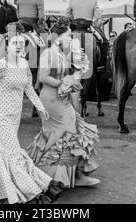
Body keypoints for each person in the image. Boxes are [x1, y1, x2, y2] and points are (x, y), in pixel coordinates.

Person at [0, 22, 63, 204]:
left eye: (22, 43)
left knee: (6, 150)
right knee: (14, 152)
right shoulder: (0, 65)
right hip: (1, 116)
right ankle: (29, 188)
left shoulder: (24, 64)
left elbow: (29, 89)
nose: (20, 46)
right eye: (15, 43)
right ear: (7, 46)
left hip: (15, 116)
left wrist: (40, 107)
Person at [27, 17, 100, 188]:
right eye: (68, 36)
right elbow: (43, 77)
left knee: (70, 132)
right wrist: (63, 83)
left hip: (62, 98)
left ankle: (73, 173)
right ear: (58, 37)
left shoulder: (61, 54)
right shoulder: (47, 53)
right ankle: (61, 175)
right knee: (66, 133)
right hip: (51, 99)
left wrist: (75, 73)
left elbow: (69, 74)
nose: (70, 39)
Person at [65, 0, 109, 71]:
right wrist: (99, 21)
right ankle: (101, 65)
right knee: (105, 42)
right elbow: (98, 16)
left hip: (75, 27)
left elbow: (67, 15)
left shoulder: (72, 1)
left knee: (60, 41)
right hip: (88, 27)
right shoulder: (93, 1)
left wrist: (73, 17)